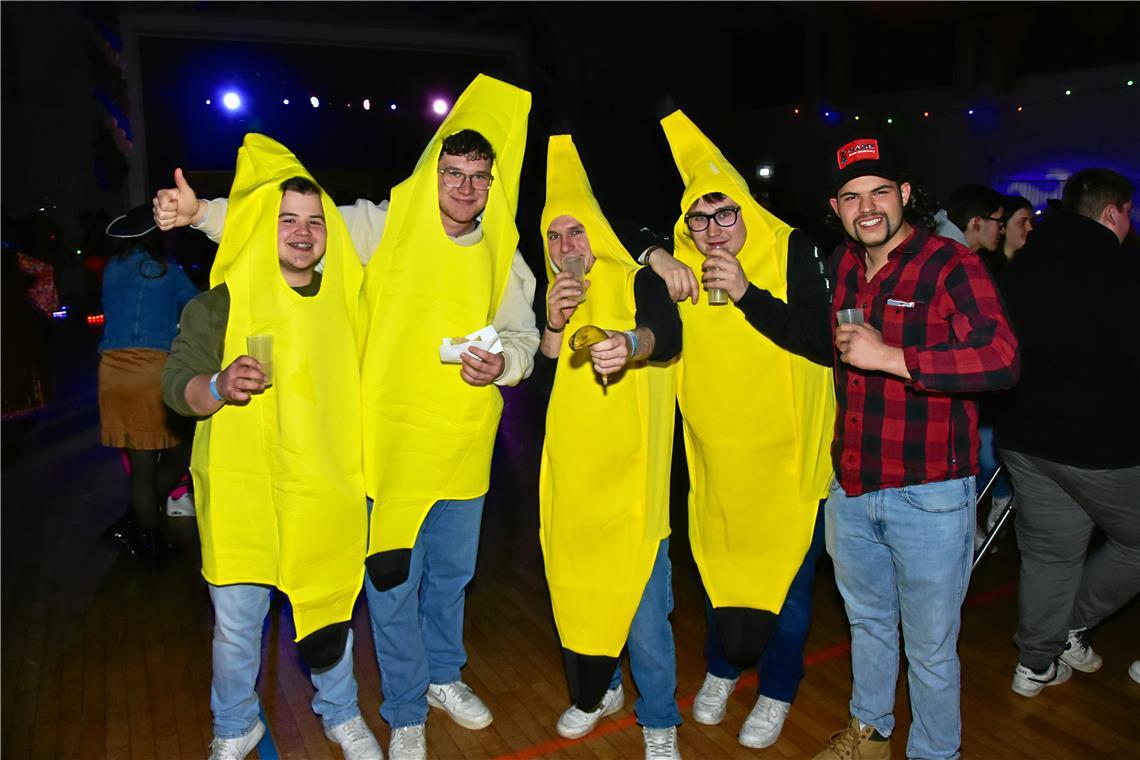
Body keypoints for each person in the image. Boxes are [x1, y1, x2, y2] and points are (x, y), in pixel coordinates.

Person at [155, 75, 538, 760]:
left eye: (479, 177)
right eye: (453, 172)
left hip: (461, 444)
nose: (465, 187)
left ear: (493, 183)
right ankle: (400, 711)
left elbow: (523, 338)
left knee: (447, 582)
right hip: (383, 451)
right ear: (434, 172)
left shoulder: (503, 254)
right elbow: (291, 223)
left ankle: (440, 679)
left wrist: (504, 363)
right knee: (386, 588)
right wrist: (202, 212)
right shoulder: (385, 227)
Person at [161, 134, 381, 760]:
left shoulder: (351, 298)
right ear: (262, 227)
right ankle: (236, 726)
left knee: (327, 610)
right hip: (246, 489)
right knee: (236, 628)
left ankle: (340, 712)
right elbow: (177, 387)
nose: (303, 232)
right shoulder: (221, 303)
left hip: (323, 488)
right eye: (287, 219)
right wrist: (219, 385)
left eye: (315, 221)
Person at [817, 134, 1019, 760]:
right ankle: (871, 734)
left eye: (880, 192)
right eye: (852, 197)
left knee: (930, 649)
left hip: (929, 493)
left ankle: (934, 753)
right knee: (868, 625)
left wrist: (894, 357)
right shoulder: (846, 264)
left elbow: (1001, 359)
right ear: (836, 207)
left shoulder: (949, 264)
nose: (867, 207)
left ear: (904, 194)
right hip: (853, 486)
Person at [653, 109, 836, 750]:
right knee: (720, 572)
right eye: (698, 219)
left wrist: (748, 292)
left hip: (786, 462)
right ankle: (723, 668)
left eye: (724, 214)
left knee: (786, 585)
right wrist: (654, 250)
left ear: (746, 208)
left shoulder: (792, 248)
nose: (712, 231)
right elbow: (609, 227)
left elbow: (823, 342)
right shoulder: (678, 259)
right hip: (716, 458)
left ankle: (778, 689)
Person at [536, 134, 683, 758]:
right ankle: (600, 690)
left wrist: (629, 345)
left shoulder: (638, 278)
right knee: (580, 591)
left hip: (633, 477)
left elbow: (667, 336)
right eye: (555, 236)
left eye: (577, 231)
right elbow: (543, 372)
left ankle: (660, 718)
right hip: (574, 473)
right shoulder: (551, 290)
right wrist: (552, 322)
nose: (568, 246)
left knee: (646, 612)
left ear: (596, 231)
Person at [995, 168, 1139, 697]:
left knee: (1049, 556)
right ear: (1112, 212)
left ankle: (1036, 663)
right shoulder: (1121, 269)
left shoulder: (1023, 262)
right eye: (1128, 213)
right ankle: (1072, 624)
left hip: (1025, 436)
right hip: (1099, 444)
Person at [98, 207, 199, 560]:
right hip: (149, 371)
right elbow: (197, 305)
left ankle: (135, 524)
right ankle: (150, 544)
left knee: (142, 459)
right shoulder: (166, 269)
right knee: (176, 454)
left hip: (111, 370)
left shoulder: (111, 268)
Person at [935, 183, 1006, 254]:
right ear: (976, 223)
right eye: (999, 222)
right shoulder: (950, 257)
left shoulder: (940, 246)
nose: (1003, 231)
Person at [999, 195, 1035, 261]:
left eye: (1032, 222)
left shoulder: (1033, 262)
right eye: (1022, 222)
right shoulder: (983, 264)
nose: (1031, 228)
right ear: (1002, 227)